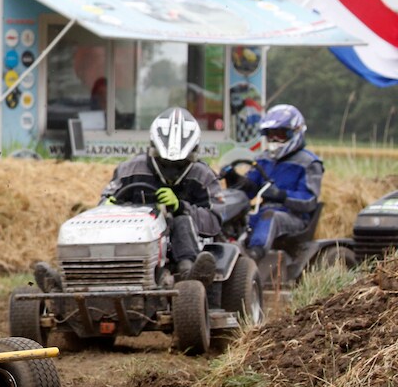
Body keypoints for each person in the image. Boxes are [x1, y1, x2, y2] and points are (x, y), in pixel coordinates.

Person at [99, 107, 221, 282]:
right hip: (136, 239)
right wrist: (107, 206)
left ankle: (189, 274)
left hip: (188, 246)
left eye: (179, 164)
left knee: (180, 220)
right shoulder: (130, 169)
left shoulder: (204, 176)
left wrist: (181, 207)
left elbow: (215, 222)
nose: (171, 169)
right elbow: (104, 199)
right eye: (165, 162)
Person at [220, 104, 321, 260]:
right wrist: (234, 178)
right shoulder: (263, 159)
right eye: (270, 135)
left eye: (280, 134)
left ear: (295, 132)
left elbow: (309, 200)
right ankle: (224, 254)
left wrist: (281, 195)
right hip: (261, 212)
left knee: (271, 216)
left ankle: (254, 255)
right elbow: (250, 190)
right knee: (235, 217)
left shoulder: (309, 162)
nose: (274, 139)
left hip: (294, 218)